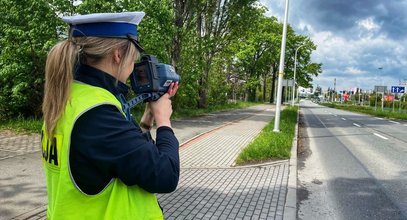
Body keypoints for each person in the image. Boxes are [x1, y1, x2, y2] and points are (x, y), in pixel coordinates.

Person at [41, 12, 180, 220]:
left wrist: (146, 121)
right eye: (133, 58)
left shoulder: (71, 98)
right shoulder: (97, 114)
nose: (133, 66)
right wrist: (164, 121)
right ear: (117, 54)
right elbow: (165, 175)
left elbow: (118, 156)